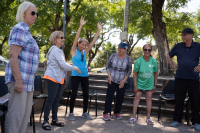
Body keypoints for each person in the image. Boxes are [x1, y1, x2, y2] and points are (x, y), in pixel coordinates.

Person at [4, 2, 39, 133]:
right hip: (19, 81)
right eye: (33, 13)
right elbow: (13, 56)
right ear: (23, 13)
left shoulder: (27, 31)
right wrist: (18, 80)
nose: (35, 16)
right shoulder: (20, 29)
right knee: (16, 118)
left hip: (28, 82)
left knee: (24, 118)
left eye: (37, 13)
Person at [42, 31, 81, 130]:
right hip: (52, 78)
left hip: (58, 79)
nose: (63, 39)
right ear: (55, 39)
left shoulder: (59, 50)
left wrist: (63, 78)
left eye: (64, 37)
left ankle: (54, 119)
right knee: (51, 99)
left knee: (56, 100)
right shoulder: (55, 50)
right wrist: (74, 68)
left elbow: (61, 66)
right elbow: (63, 65)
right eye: (61, 37)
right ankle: (45, 121)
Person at [68, 16, 103, 121]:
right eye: (82, 45)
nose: (84, 47)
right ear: (79, 43)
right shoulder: (74, 50)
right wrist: (80, 26)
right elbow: (76, 38)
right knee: (73, 94)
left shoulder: (85, 51)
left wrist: (98, 30)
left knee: (86, 94)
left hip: (84, 76)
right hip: (75, 75)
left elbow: (93, 42)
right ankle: (71, 113)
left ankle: (84, 113)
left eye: (85, 45)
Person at [167, 28, 200, 130]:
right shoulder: (178, 46)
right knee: (179, 100)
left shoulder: (198, 46)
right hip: (180, 78)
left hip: (193, 78)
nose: (182, 37)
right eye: (182, 35)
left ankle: (196, 122)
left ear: (191, 35)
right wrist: (172, 65)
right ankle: (177, 120)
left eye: (184, 35)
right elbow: (169, 55)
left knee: (195, 101)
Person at [128, 44, 158, 124]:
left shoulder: (154, 61)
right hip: (139, 83)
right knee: (136, 98)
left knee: (149, 99)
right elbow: (134, 74)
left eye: (149, 50)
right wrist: (135, 86)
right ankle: (133, 116)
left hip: (149, 83)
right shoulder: (138, 61)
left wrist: (155, 85)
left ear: (151, 51)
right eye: (145, 50)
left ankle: (148, 118)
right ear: (143, 50)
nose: (147, 51)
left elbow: (156, 74)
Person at [103, 42, 132, 121]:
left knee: (120, 97)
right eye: (118, 47)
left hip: (122, 81)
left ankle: (116, 113)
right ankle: (106, 113)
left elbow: (129, 71)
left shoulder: (128, 58)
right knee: (109, 96)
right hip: (112, 80)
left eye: (121, 48)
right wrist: (109, 77)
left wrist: (123, 81)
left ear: (125, 49)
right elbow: (107, 66)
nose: (119, 49)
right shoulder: (113, 55)